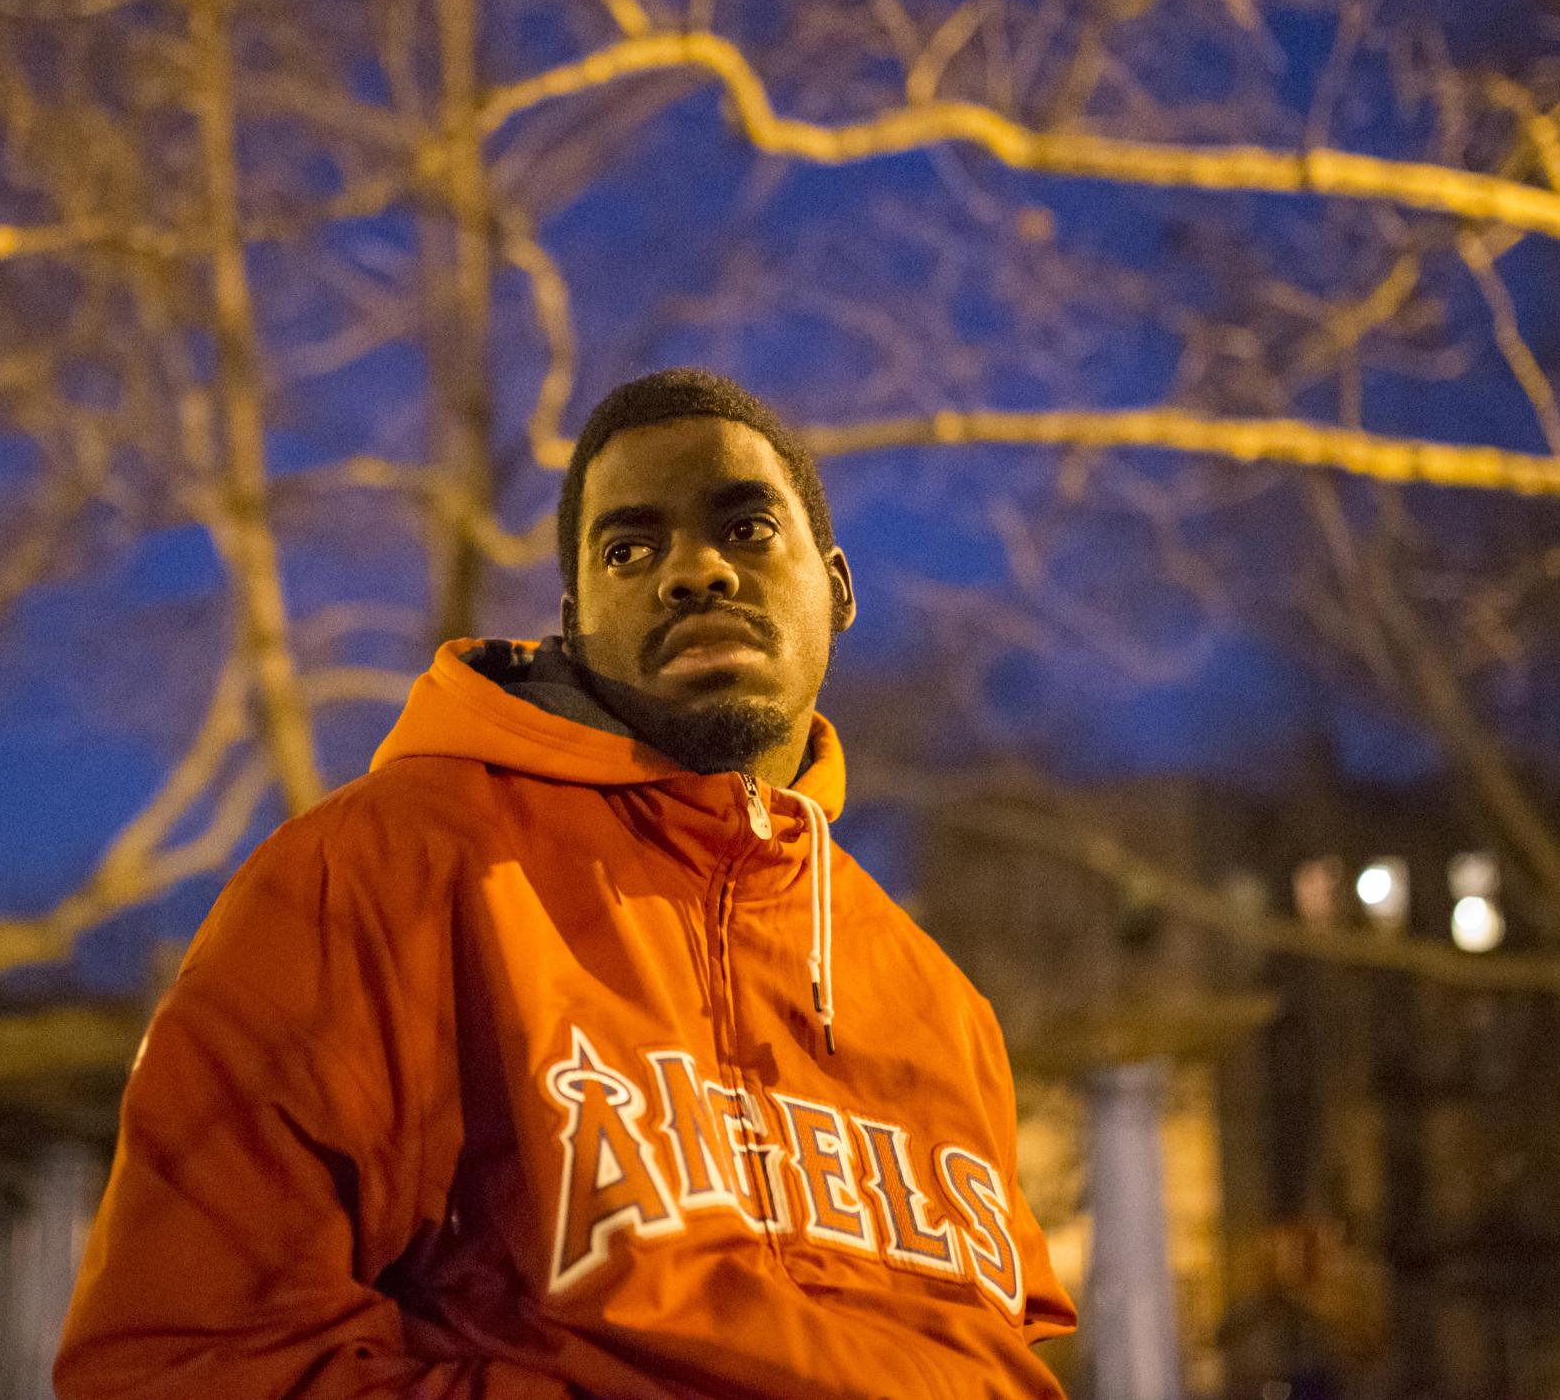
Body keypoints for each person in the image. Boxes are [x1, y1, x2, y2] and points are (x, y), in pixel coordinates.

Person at [56, 369, 1075, 1398]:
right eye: (627, 549)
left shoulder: (939, 1005)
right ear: (575, 617)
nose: (692, 571)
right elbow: (187, 1359)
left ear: (837, 585)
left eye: (747, 527)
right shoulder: (373, 873)